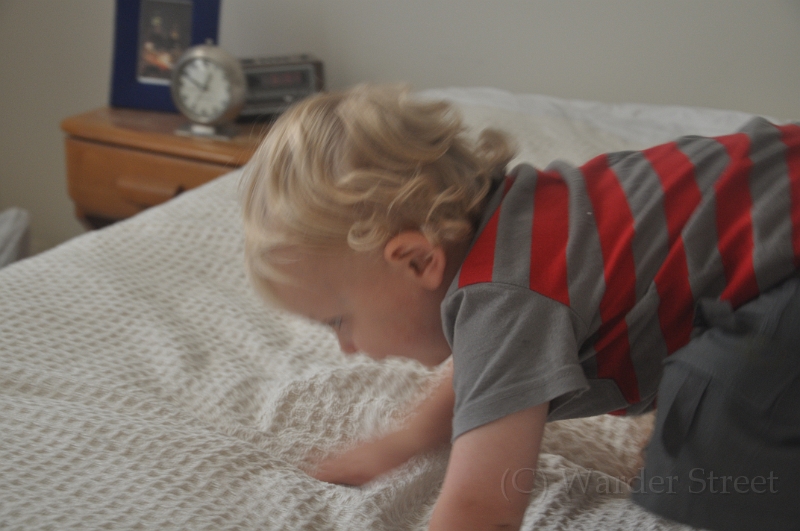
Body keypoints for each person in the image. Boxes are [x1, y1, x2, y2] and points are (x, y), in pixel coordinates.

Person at [241, 84, 800, 531]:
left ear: (416, 260)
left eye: (338, 321)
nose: (345, 348)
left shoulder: (502, 297)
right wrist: (409, 439)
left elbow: (482, 511)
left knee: (700, 458)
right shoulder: (521, 229)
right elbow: (487, 369)